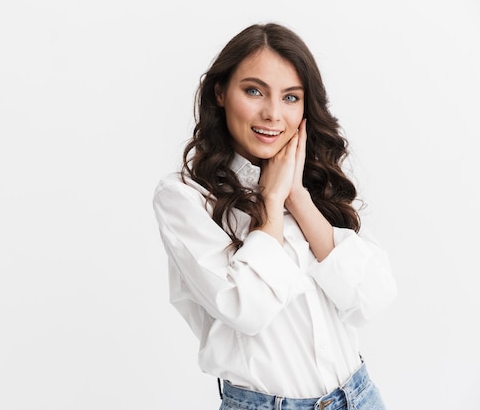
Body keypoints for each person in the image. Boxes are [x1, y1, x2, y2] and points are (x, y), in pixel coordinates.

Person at [152, 23, 397, 410]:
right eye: (254, 91)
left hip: (360, 397)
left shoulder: (317, 183)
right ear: (220, 93)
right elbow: (246, 308)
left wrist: (297, 197)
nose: (272, 114)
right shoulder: (185, 197)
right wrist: (271, 205)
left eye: (290, 97)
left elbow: (372, 296)